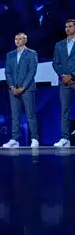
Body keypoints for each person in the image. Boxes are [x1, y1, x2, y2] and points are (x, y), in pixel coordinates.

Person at [3, 32, 39, 148]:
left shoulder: (32, 53)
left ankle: (34, 138)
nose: (17, 41)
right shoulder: (10, 55)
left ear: (25, 40)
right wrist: (12, 86)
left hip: (27, 89)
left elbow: (32, 71)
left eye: (20, 39)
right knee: (15, 115)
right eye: (16, 39)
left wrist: (23, 87)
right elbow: (7, 72)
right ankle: (15, 139)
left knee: (30, 114)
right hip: (13, 89)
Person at [52, 19, 75, 147]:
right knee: (64, 109)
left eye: (70, 26)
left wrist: (72, 75)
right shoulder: (59, 45)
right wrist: (63, 76)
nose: (67, 28)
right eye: (66, 26)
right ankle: (65, 138)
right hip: (64, 82)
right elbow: (55, 63)